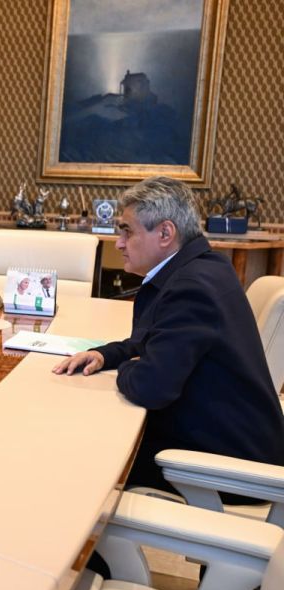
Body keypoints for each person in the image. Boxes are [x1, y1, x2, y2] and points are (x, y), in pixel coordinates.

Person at [52, 176, 284, 495]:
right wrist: (107, 355)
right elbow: (153, 340)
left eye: (127, 231)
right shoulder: (204, 267)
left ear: (165, 233)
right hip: (230, 435)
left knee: (79, 451)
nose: (119, 243)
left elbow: (149, 388)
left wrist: (129, 366)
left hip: (230, 464)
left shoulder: (192, 287)